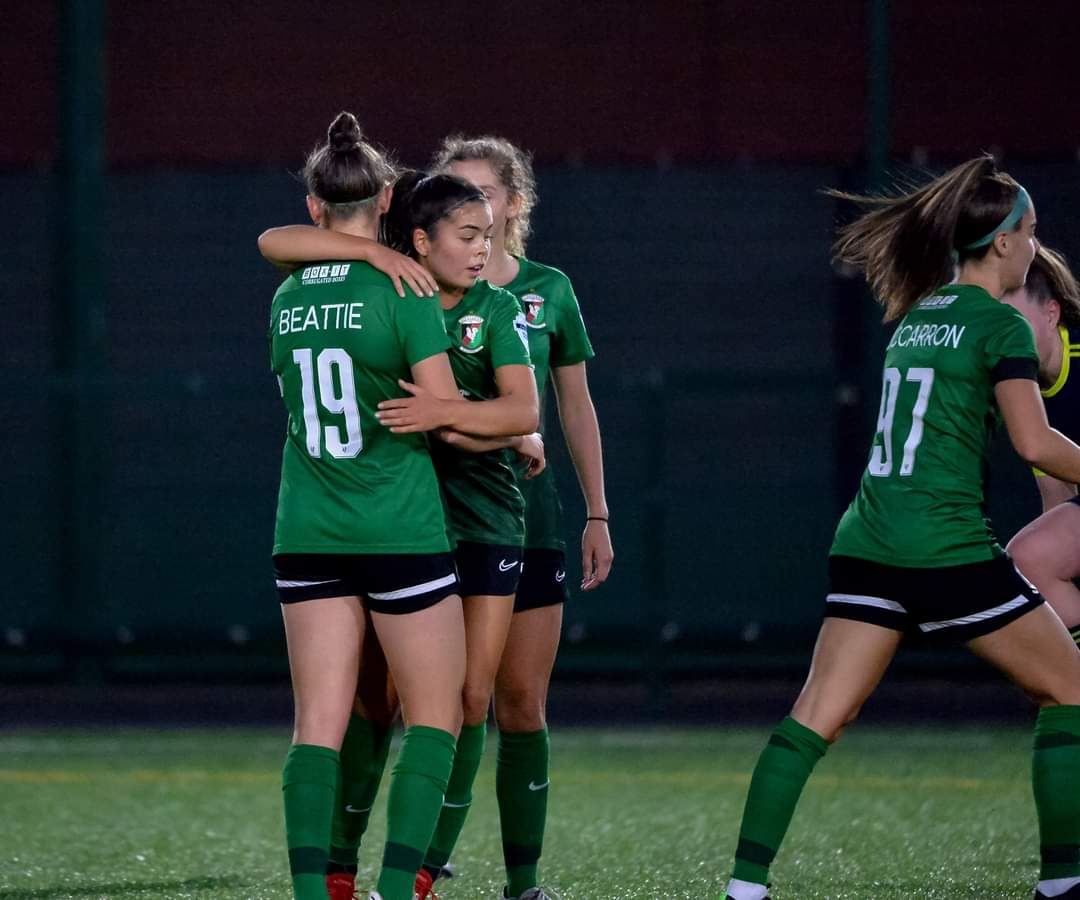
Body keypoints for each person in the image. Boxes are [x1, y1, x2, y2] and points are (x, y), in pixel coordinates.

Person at [722, 156, 1080, 900]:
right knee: (1071, 692)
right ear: (1005, 243)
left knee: (817, 715)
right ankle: (1062, 883)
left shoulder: (920, 315)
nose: (1035, 246)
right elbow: (1037, 444)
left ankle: (744, 890)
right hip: (941, 548)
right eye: (1032, 232)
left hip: (866, 544)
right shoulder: (999, 324)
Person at [260, 170, 543, 900]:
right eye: (470, 234)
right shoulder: (405, 292)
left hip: (395, 522)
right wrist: (493, 432)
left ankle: (395, 872)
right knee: (416, 712)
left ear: (317, 204)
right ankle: (367, 872)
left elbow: (274, 242)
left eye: (489, 234)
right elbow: (458, 413)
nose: (483, 249)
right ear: (404, 223)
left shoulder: (292, 293)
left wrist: (500, 434)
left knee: (449, 701)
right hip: (404, 525)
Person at [434, 135, 613, 900]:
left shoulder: (549, 289)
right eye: (458, 193)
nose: (474, 205)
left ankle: (523, 882)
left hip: (531, 522)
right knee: (456, 701)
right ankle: (424, 864)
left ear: (513, 202)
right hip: (442, 523)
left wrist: (599, 510)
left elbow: (575, 403)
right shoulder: (423, 287)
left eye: (484, 191)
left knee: (520, 703)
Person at [1001, 246, 1080, 645]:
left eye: (1014, 322)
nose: (1005, 337)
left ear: (1051, 314)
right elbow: (1057, 496)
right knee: (1032, 557)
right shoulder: (1026, 389)